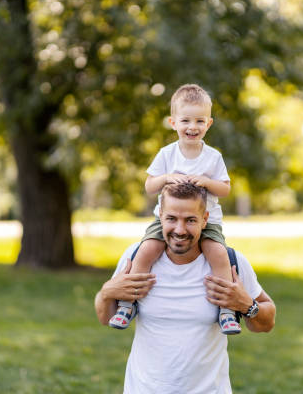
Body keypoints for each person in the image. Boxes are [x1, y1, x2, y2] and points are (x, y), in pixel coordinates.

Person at [95, 182, 276, 393]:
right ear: (160, 215)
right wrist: (107, 292)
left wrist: (247, 305)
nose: (180, 230)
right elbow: (104, 317)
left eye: (190, 220)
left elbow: (267, 322)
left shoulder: (229, 263)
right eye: (171, 218)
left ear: (205, 219)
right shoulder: (136, 258)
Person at [108, 84, 241, 334]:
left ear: (209, 124)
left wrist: (207, 182)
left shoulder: (213, 157)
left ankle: (227, 311)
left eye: (200, 121)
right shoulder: (167, 154)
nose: (193, 127)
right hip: (167, 219)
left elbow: (225, 189)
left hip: (205, 220)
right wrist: (167, 177)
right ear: (173, 122)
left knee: (219, 255)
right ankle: (128, 303)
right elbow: (149, 186)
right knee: (146, 251)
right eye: (186, 120)